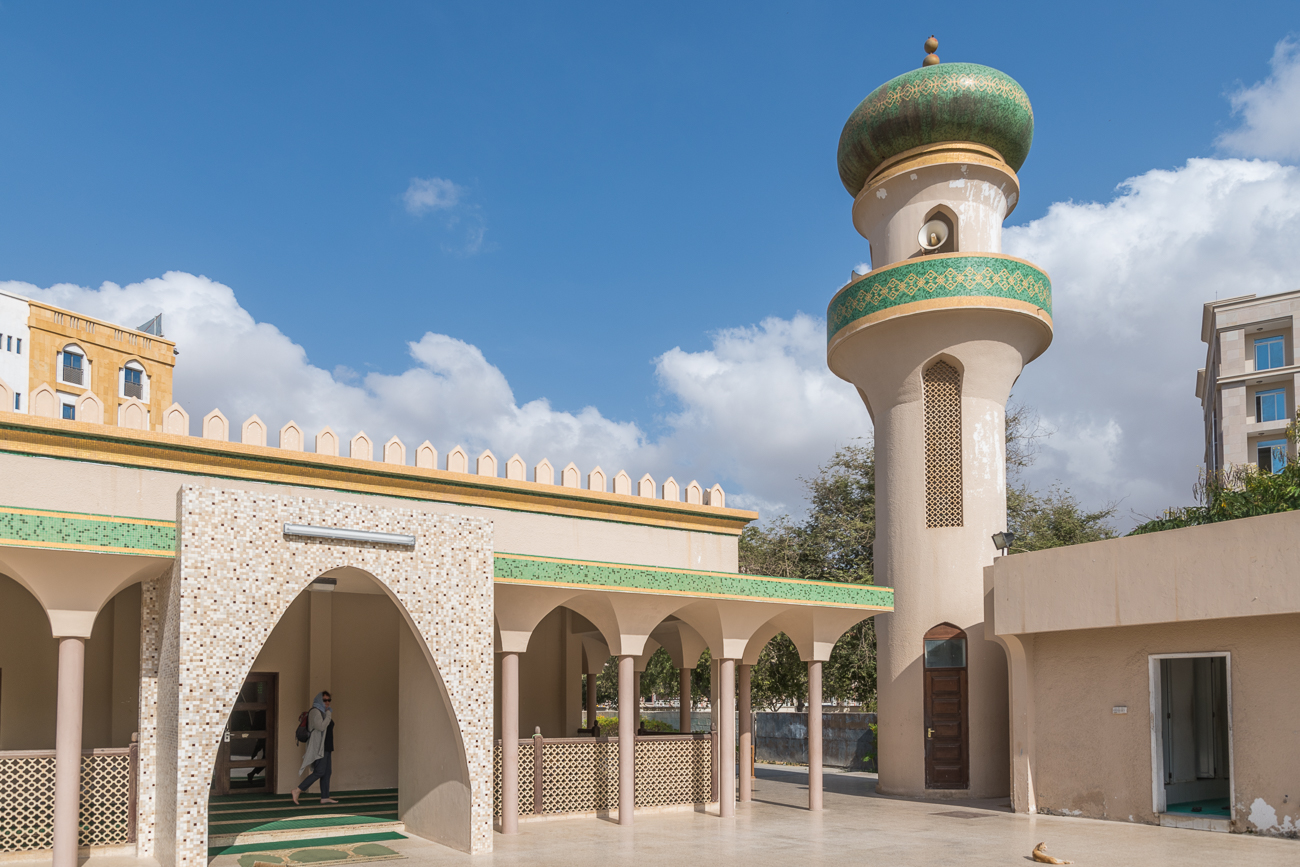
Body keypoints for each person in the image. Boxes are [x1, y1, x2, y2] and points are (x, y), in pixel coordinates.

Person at [292, 691, 338, 805]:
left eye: (329, 700)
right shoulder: (315, 712)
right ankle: (297, 790)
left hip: (327, 747)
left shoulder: (323, 712)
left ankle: (325, 797)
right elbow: (321, 727)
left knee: (327, 772)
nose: (327, 702)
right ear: (319, 700)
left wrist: (327, 713)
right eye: (324, 700)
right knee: (320, 772)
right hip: (319, 748)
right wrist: (328, 715)